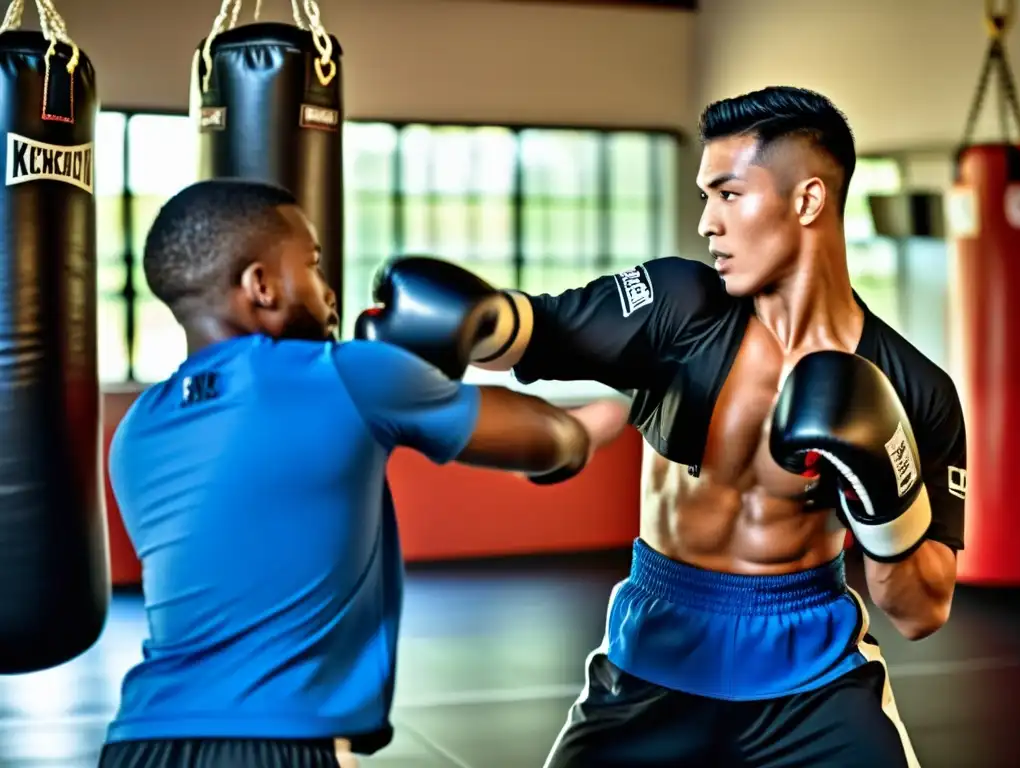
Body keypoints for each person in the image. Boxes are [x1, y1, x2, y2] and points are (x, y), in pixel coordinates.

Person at [368, 87, 967, 767]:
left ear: (806, 201)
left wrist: (887, 495)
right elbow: (544, 328)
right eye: (704, 196)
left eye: (729, 194)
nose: (708, 222)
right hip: (656, 656)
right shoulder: (679, 305)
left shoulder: (914, 388)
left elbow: (921, 611)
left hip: (815, 678)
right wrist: (477, 321)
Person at [97, 178, 629, 768]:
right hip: (276, 743)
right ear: (261, 285)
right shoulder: (345, 374)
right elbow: (554, 439)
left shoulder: (136, 430)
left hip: (137, 741)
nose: (329, 294)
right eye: (314, 266)